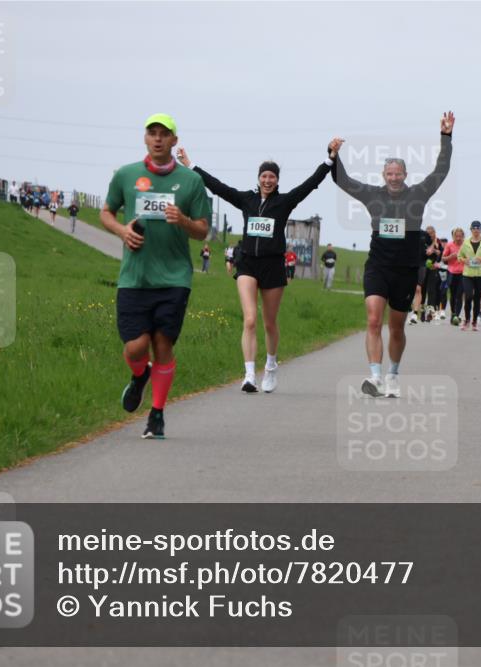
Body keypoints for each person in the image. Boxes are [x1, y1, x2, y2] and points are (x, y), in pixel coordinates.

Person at [177, 139, 337, 393]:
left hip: (273, 265)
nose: (267, 180)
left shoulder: (284, 202)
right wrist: (190, 165)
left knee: (269, 323)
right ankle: (249, 374)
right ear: (258, 177)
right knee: (249, 320)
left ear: (277, 180)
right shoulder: (247, 200)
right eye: (264, 176)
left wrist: (329, 160)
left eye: (272, 176)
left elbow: (310, 185)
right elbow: (218, 187)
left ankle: (271, 366)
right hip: (248, 263)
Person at [100, 113, 211, 439]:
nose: (159, 138)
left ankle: (157, 415)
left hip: (175, 277)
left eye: (165, 134)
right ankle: (139, 376)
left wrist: (183, 221)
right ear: (145, 138)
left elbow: (203, 230)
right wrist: (122, 231)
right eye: (153, 133)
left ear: (175, 141)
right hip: (135, 277)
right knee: (136, 347)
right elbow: (106, 212)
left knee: (163, 343)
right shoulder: (126, 175)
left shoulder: (191, 182)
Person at [331, 111, 455, 397]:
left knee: (396, 327)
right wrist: (333, 156)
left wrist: (446, 137)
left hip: (406, 269)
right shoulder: (373, 195)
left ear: (405, 176)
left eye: (398, 173)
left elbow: (441, 170)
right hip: (378, 267)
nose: (394, 178)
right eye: (389, 174)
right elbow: (344, 181)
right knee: (373, 320)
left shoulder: (418, 194)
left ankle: (393, 375)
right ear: (383, 176)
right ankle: (375, 377)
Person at [458, 220, 481, 331]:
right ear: (471, 230)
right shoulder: (466, 242)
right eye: (474, 228)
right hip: (468, 274)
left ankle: (474, 322)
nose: (476, 230)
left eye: (478, 228)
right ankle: (467, 320)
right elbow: (459, 256)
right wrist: (464, 260)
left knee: (477, 299)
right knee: (468, 296)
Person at [441, 227, 465, 325]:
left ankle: (457, 315)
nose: (458, 238)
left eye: (460, 236)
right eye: (456, 236)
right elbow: (443, 259)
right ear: (453, 236)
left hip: (463, 273)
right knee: (453, 295)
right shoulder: (449, 245)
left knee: (459, 294)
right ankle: (453, 313)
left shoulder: (466, 245)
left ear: (463, 236)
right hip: (451, 272)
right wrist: (451, 257)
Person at [421, 226, 442, 322]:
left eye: (431, 233)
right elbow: (420, 253)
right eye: (428, 233)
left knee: (431, 291)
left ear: (434, 233)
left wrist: (435, 251)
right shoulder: (423, 241)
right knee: (422, 291)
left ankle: (429, 313)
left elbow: (441, 253)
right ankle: (422, 313)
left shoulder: (438, 242)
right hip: (423, 267)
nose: (430, 234)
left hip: (433, 268)